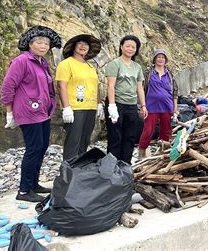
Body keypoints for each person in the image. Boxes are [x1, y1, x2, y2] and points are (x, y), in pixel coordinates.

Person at [0, 25, 62, 202]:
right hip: (28, 111)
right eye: (39, 42)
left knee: (41, 147)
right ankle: (24, 191)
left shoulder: (42, 62)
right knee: (33, 149)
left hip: (43, 112)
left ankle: (34, 184)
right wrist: (9, 112)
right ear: (30, 44)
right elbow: (8, 87)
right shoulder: (21, 61)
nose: (43, 46)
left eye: (46, 43)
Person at [56, 34, 104, 160]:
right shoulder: (66, 64)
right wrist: (66, 107)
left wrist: (99, 104)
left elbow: (96, 86)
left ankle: (80, 169)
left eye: (86, 44)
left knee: (85, 140)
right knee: (73, 141)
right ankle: (68, 172)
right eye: (80, 44)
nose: (83, 46)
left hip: (90, 107)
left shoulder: (91, 67)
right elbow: (61, 85)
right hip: (75, 109)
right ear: (73, 47)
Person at [105, 35, 148, 163]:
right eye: (127, 46)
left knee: (129, 136)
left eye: (133, 47)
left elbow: (139, 88)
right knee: (115, 136)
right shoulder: (115, 64)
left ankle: (125, 165)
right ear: (121, 47)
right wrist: (112, 106)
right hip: (117, 104)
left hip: (131, 105)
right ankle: (112, 166)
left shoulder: (137, 67)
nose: (130, 49)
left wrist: (143, 105)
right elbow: (110, 85)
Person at [138, 49, 178, 159]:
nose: (161, 59)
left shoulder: (169, 74)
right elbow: (141, 88)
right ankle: (141, 154)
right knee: (148, 131)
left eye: (163, 57)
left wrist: (175, 108)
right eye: (158, 57)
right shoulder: (148, 73)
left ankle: (163, 152)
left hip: (167, 106)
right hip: (151, 107)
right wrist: (142, 106)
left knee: (166, 130)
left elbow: (175, 91)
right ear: (154, 59)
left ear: (166, 60)